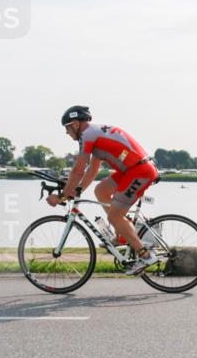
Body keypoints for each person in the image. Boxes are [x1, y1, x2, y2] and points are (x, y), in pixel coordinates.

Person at [50, 106, 160, 275]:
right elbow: (92, 170)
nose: (66, 133)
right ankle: (122, 234)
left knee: (114, 216)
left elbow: (78, 169)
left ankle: (145, 255)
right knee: (101, 191)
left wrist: (63, 195)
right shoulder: (95, 134)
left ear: (76, 124)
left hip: (139, 172)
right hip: (131, 170)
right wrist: (77, 190)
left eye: (67, 128)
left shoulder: (87, 135)